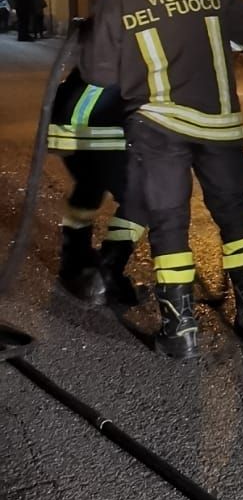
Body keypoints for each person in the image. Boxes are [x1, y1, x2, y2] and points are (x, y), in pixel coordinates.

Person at [80, 0, 243, 360]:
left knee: (168, 222)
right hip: (220, 122)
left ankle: (180, 329)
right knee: (236, 219)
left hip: (158, 125)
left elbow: (98, 74)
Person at [47, 40, 146, 306]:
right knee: (141, 199)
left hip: (68, 122)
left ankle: (74, 263)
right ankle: (107, 275)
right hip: (107, 123)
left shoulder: (115, 14)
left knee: (88, 187)